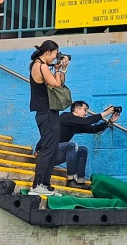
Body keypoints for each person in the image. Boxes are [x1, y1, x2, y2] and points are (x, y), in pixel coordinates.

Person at [29, 40, 68, 197]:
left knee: (53, 149)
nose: (55, 58)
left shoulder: (39, 65)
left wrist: (59, 70)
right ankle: (37, 184)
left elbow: (57, 82)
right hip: (45, 112)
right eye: (54, 54)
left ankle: (45, 184)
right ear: (47, 52)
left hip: (48, 112)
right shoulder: (41, 66)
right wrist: (63, 69)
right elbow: (56, 85)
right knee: (47, 149)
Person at [52, 101, 120, 188]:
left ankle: (80, 181)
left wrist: (110, 121)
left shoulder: (75, 124)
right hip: (49, 153)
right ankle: (71, 180)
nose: (86, 113)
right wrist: (106, 113)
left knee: (82, 150)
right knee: (71, 145)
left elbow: (93, 129)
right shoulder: (65, 116)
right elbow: (86, 122)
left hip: (57, 154)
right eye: (85, 110)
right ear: (77, 109)